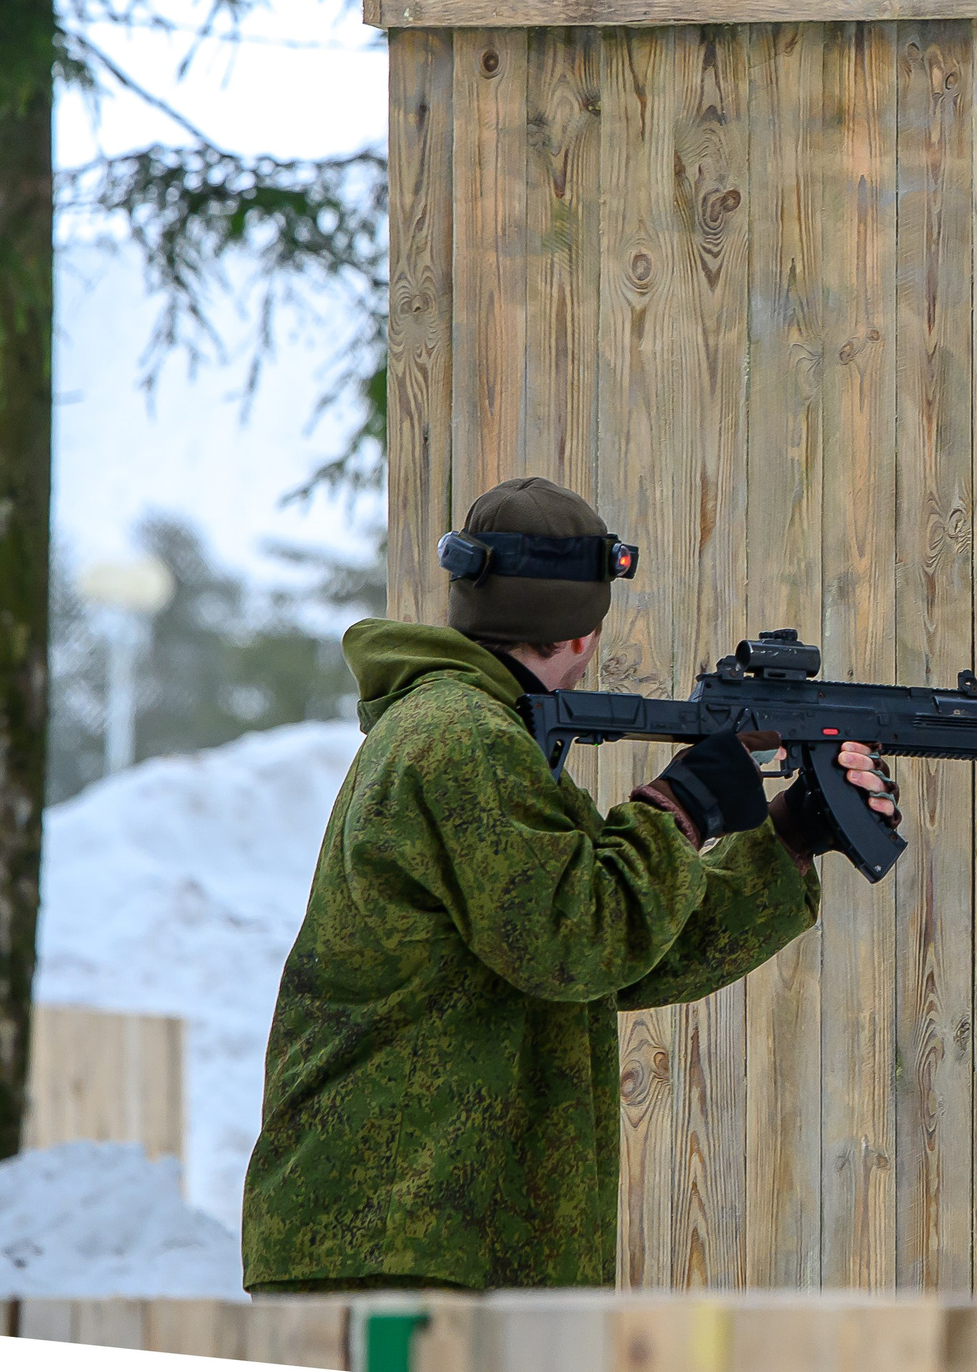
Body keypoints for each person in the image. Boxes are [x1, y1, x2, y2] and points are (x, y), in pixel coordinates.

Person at [240, 476, 897, 1292]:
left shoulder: (480, 737)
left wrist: (789, 838)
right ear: (583, 634)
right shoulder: (459, 738)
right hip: (400, 1236)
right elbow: (577, 939)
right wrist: (680, 807)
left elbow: (622, 951)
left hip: (434, 1236)